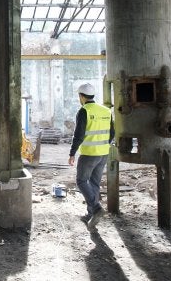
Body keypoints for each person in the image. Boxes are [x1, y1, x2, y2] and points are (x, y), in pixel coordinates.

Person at [68, 82, 114, 231]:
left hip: (89, 153)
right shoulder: (106, 111)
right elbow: (112, 132)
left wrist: (72, 153)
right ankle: (90, 215)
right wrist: (104, 144)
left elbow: (79, 135)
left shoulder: (84, 111)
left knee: (81, 181)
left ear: (81, 96)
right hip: (103, 153)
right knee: (94, 183)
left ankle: (96, 208)